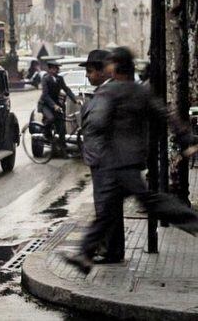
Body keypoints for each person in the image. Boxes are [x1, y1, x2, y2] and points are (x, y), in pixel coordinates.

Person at [65, 47, 198, 274]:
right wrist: (186, 139)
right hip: (131, 160)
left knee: (140, 203)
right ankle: (85, 255)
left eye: (109, 64)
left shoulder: (110, 92)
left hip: (115, 163)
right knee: (113, 209)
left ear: (115, 66)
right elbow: (165, 114)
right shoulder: (141, 91)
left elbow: (97, 123)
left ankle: (194, 222)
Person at [78, 49, 124, 264]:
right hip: (103, 159)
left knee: (107, 206)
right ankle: (110, 248)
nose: (87, 75)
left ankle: (111, 251)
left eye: (90, 71)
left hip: (106, 160)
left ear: (103, 72)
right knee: (106, 205)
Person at [39, 60, 79, 150]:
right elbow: (45, 95)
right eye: (55, 68)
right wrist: (54, 105)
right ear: (50, 69)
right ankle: (46, 133)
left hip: (56, 104)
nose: (57, 70)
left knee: (61, 123)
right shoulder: (45, 79)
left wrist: (75, 100)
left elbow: (66, 89)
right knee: (51, 118)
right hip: (45, 104)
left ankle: (62, 146)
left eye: (57, 68)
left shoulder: (60, 79)